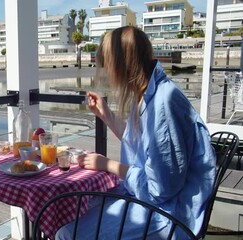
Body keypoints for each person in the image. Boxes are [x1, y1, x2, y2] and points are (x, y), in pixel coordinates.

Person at [56, 26, 216, 239]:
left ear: (122, 65)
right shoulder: (149, 92)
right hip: (146, 200)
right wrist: (107, 115)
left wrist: (107, 164)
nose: (107, 73)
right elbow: (141, 146)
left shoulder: (163, 104)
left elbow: (160, 191)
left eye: (108, 65)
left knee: (66, 233)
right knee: (73, 210)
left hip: (168, 216)